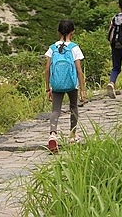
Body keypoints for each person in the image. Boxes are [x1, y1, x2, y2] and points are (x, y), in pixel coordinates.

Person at [44, 19, 86, 153]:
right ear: (72, 32)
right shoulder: (74, 47)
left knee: (55, 110)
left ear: (58, 32)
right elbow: (79, 70)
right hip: (71, 84)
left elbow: (47, 69)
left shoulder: (52, 48)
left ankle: (53, 135)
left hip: (56, 84)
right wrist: (82, 90)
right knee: (73, 106)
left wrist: (48, 87)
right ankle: (72, 135)